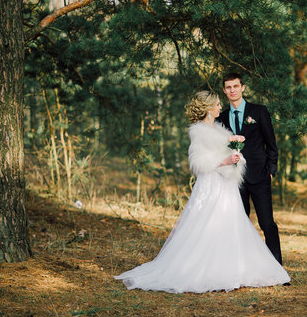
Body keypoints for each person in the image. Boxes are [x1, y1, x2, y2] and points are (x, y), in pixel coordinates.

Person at [115, 91, 290, 293]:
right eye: (216, 104)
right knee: (208, 225)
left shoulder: (218, 128)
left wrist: (235, 154)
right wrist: (226, 160)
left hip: (227, 185)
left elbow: (228, 153)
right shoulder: (199, 132)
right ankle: (207, 269)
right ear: (208, 108)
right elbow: (199, 163)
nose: (219, 107)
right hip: (212, 185)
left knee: (232, 225)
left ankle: (235, 267)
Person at [216, 72, 283, 265]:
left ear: (242, 87)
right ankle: (243, 267)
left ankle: (277, 266)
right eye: (228, 87)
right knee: (239, 224)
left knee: (267, 223)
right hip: (234, 180)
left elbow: (271, 144)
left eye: (236, 86)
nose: (232, 90)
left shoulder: (259, 111)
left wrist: (271, 170)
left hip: (260, 176)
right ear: (224, 90)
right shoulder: (221, 118)